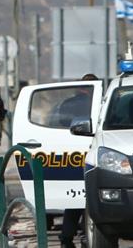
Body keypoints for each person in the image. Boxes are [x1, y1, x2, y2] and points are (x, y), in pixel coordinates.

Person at [59, 73, 98, 248]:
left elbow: (59, 123)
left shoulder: (67, 104)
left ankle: (66, 237)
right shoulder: (97, 103)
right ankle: (86, 235)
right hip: (91, 153)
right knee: (90, 196)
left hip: (70, 154)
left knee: (73, 197)